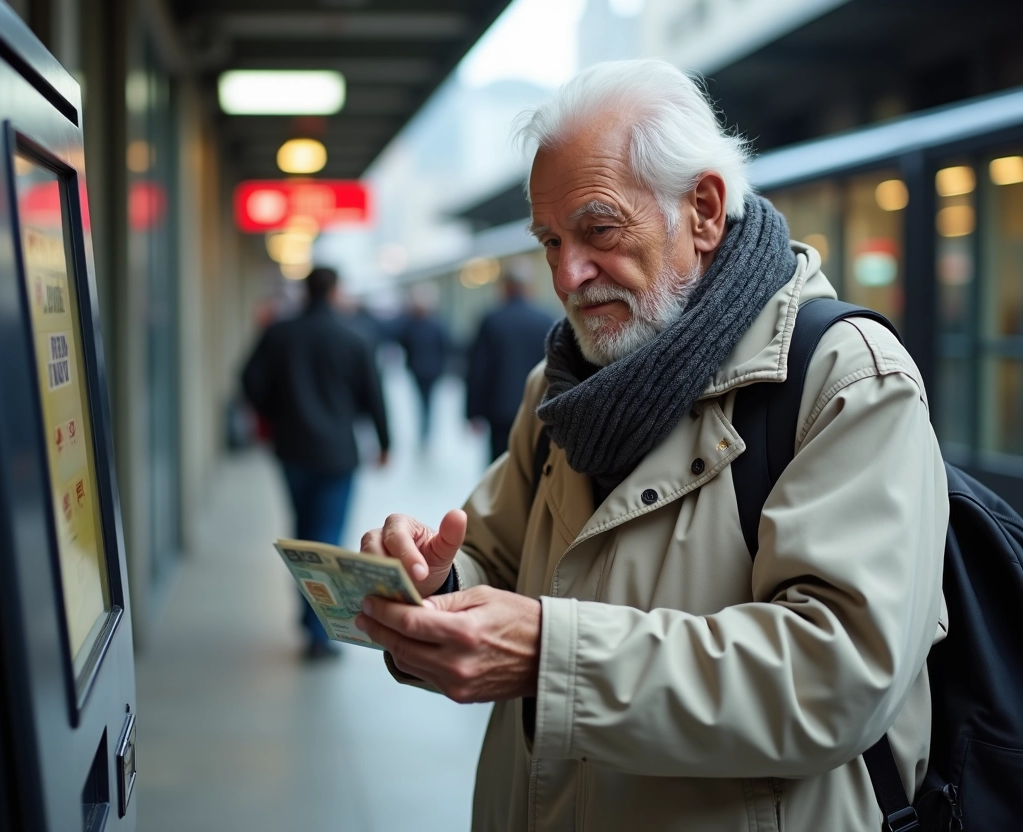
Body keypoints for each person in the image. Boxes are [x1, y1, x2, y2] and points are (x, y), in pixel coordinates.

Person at [355, 60, 946, 831]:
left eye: (599, 229)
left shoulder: (844, 378)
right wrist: (434, 582)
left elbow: (837, 675)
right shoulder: (559, 388)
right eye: (550, 241)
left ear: (702, 210)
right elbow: (493, 555)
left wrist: (550, 657)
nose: (569, 274)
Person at [241, 266, 390, 659]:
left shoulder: (279, 333)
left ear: (306, 291)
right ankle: (319, 630)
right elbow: (374, 395)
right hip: (338, 453)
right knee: (325, 539)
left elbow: (248, 380)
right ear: (336, 291)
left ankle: (311, 623)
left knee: (305, 532)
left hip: (292, 448)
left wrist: (275, 415)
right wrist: (385, 441)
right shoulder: (355, 336)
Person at [465, 269, 556, 461]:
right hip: (537, 409)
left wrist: (473, 411)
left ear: (505, 287)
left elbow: (478, 369)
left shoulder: (492, 320)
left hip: (499, 409)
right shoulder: (545, 320)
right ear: (529, 288)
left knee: (499, 465)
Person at [395, 284, 452, 448]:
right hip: (420, 370)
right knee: (423, 402)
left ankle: (426, 431)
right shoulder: (414, 323)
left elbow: (444, 346)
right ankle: (425, 431)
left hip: (429, 370)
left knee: (427, 402)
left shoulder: (433, 323)